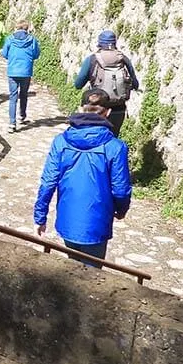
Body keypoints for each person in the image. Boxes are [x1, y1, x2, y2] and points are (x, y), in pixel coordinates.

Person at [33, 88, 132, 268]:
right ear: (108, 112)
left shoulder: (61, 142)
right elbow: (120, 189)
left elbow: (48, 182)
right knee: (93, 276)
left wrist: (40, 217)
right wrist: (121, 209)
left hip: (68, 219)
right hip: (98, 222)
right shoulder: (115, 147)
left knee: (72, 270)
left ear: (80, 108)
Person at [72, 29, 139, 135]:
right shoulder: (123, 59)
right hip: (118, 108)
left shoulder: (92, 60)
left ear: (99, 44)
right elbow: (135, 84)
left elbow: (78, 85)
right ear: (114, 43)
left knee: (94, 136)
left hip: (97, 109)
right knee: (112, 136)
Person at [1, 21, 40, 133]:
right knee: (24, 94)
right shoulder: (32, 39)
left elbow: (4, 53)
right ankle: (22, 116)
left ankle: (12, 123)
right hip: (26, 71)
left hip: (13, 71)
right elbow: (36, 54)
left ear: (16, 28)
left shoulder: (10, 39)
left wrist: (12, 58)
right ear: (26, 29)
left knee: (13, 97)